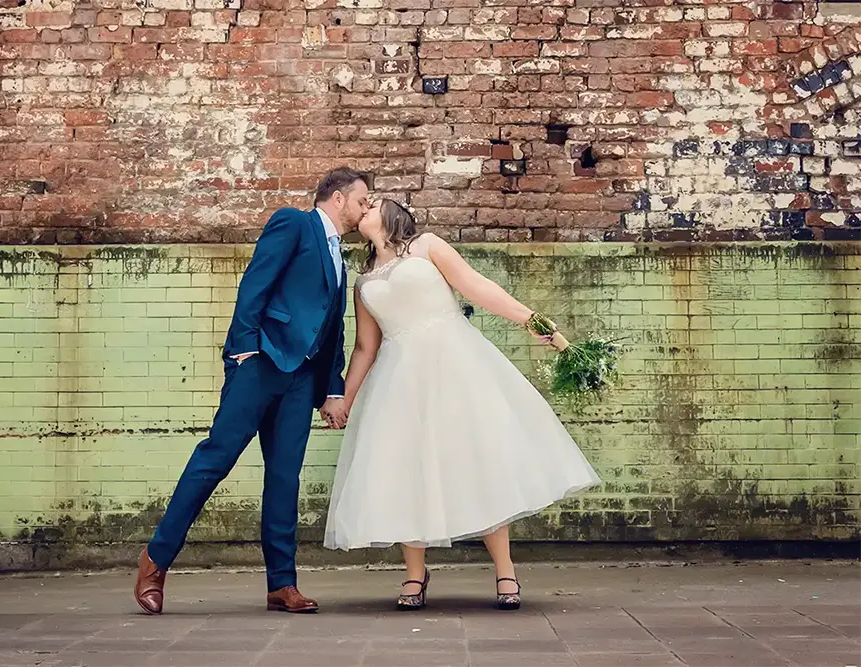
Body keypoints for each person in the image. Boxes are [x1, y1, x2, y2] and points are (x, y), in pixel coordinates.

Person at [323, 199, 601, 611]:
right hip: (398, 379)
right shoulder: (363, 280)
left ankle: (505, 570)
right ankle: (415, 576)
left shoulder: (428, 245)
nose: (364, 208)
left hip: (455, 364)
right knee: (406, 468)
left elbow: (478, 287)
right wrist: (342, 399)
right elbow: (365, 347)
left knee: (478, 458)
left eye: (373, 203)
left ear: (394, 214)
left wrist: (539, 325)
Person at [134, 167, 370, 614]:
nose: (365, 209)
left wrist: (332, 389)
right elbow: (254, 286)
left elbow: (332, 328)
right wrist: (242, 350)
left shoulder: (340, 256)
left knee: (284, 479)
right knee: (214, 461)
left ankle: (282, 584)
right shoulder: (294, 222)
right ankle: (155, 560)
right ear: (337, 198)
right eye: (362, 200)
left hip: (302, 379)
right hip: (261, 364)